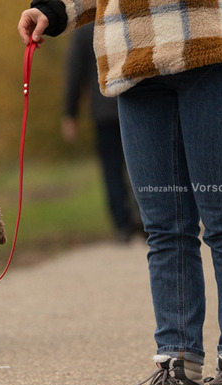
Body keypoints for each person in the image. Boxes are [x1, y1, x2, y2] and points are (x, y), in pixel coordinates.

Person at [19, 2, 222, 385]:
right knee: (164, 229)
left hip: (216, 47)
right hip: (134, 57)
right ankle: (178, 366)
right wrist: (55, 8)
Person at [62, 23, 143, 244]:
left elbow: (74, 72)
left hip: (104, 109)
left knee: (111, 170)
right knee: (140, 165)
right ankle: (144, 219)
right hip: (136, 103)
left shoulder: (86, 27)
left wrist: (70, 114)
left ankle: (122, 225)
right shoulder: (125, 17)